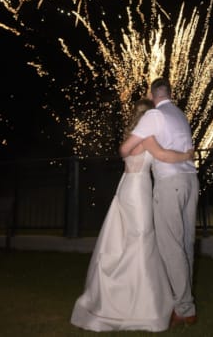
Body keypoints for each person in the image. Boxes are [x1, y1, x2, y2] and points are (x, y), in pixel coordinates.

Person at [70, 98, 193, 333]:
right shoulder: (147, 137)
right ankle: (139, 303)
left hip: (127, 186)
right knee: (142, 239)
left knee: (132, 239)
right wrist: (186, 155)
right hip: (138, 191)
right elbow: (164, 155)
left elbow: (126, 151)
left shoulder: (132, 136)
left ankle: (123, 293)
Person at [120, 78, 199, 327]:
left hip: (170, 184)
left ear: (152, 95)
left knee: (170, 246)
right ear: (171, 93)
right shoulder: (180, 115)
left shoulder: (154, 116)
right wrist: (185, 156)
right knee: (186, 242)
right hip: (191, 181)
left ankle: (185, 308)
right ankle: (183, 302)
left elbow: (128, 148)